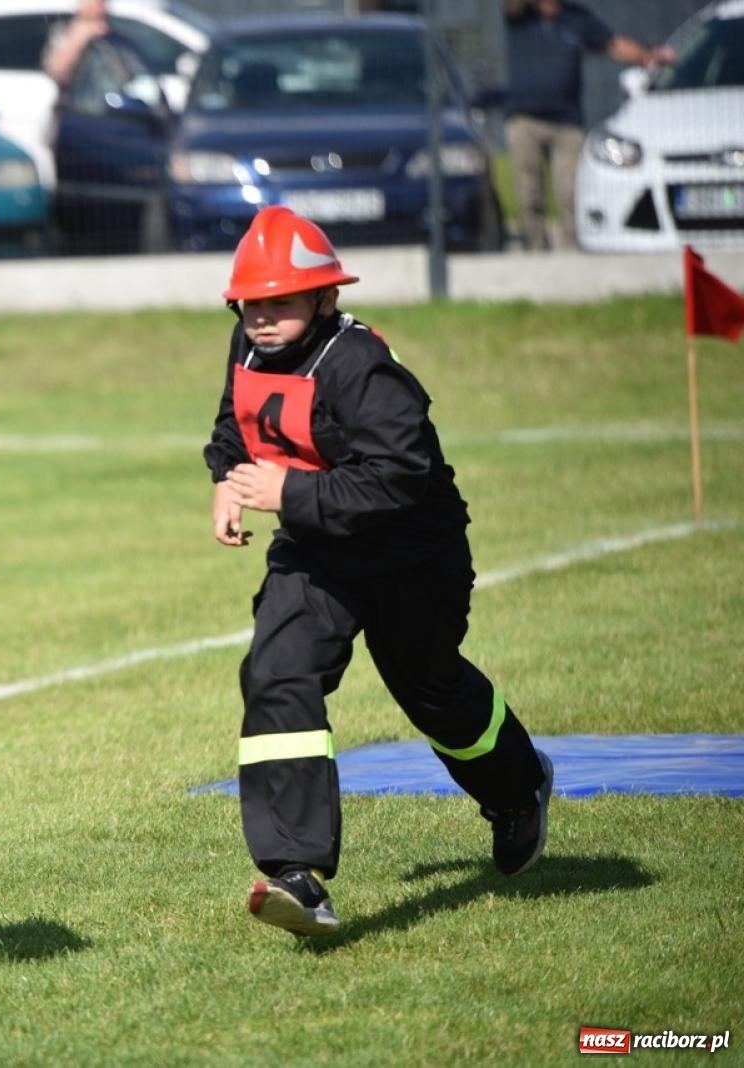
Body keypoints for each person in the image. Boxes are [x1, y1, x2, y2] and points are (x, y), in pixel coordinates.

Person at [203, 206, 553, 937]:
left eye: (282, 302)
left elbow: (400, 477)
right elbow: (235, 425)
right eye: (251, 303)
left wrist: (286, 492)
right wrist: (228, 483)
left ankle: (519, 791)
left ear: (325, 299)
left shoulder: (361, 366)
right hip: (314, 549)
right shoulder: (250, 345)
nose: (263, 317)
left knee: (429, 685)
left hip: (410, 554)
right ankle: (295, 874)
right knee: (276, 674)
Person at [502, 0, 674, 250]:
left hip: (566, 121)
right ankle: (535, 252)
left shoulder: (576, 18)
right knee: (529, 193)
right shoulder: (519, 15)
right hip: (524, 119)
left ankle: (574, 253)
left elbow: (614, 45)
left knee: (570, 191)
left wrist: (648, 56)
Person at [41, 0, 111, 90]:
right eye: (98, 3)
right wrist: (82, 34)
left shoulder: (112, 36)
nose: (103, 8)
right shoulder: (64, 32)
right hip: (74, 99)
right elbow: (56, 72)